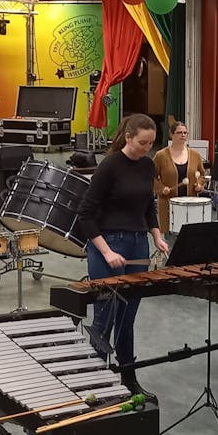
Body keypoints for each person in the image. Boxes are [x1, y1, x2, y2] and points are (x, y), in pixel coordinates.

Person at [78, 113, 170, 397]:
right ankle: (95, 383)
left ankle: (128, 377)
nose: (147, 148)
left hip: (138, 245)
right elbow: (85, 215)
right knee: (104, 318)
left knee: (127, 317)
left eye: (152, 143)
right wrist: (106, 251)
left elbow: (148, 206)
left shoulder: (147, 165)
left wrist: (157, 235)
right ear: (128, 137)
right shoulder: (109, 166)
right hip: (108, 245)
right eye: (143, 143)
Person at [153, 121, 206, 233]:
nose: (183, 135)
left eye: (185, 133)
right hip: (168, 203)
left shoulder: (195, 155)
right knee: (170, 236)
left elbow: (202, 175)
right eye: (179, 132)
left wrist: (199, 185)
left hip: (190, 203)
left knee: (190, 234)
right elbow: (151, 177)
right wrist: (161, 188)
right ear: (171, 134)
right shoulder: (161, 155)